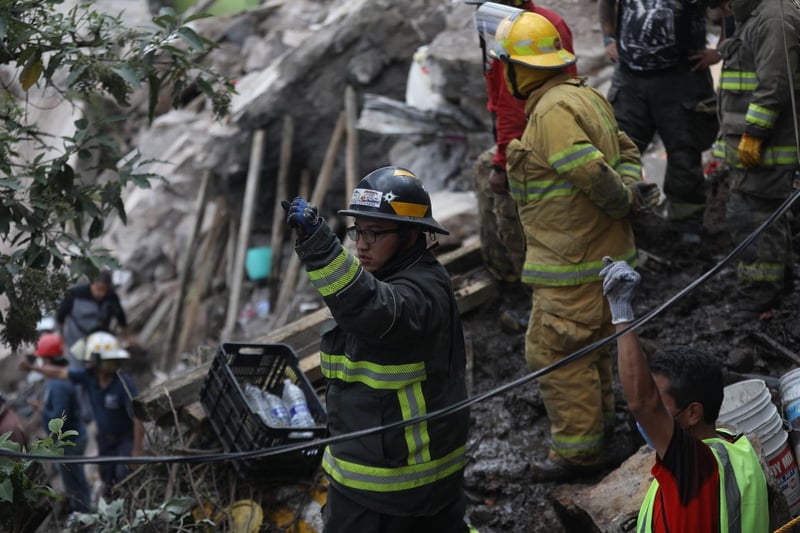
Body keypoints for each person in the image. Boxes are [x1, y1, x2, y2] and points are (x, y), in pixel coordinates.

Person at [491, 11, 660, 481]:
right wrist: (629, 194)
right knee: (590, 354)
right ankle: (601, 431)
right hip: (600, 259)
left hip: (573, 266)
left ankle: (581, 455)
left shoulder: (549, 113)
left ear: (518, 68)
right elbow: (628, 151)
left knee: (555, 356)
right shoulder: (584, 97)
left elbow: (588, 170)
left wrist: (622, 201)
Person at [283, 166, 471, 532]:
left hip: (396, 488)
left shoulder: (424, 289)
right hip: (379, 474)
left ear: (412, 234)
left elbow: (375, 311)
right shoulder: (383, 276)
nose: (361, 243)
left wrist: (323, 248)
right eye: (357, 230)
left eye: (375, 232)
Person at [600, 257, 769, 532]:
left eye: (661, 407)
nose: (649, 421)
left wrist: (621, 316)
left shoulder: (694, 468)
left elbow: (643, 403)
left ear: (693, 413)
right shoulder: (736, 451)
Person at [470, 0, 577, 333]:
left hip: (532, 137)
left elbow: (512, 107)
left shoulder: (524, 32)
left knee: (508, 210)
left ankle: (534, 297)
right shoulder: (518, 25)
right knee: (480, 167)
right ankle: (504, 276)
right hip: (528, 130)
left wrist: (502, 165)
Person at [598, 0, 720, 242]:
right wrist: (608, 40)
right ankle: (621, 218)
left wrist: (722, 49)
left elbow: (730, 7)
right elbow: (606, 3)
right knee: (618, 149)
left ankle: (687, 227)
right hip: (631, 80)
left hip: (682, 79)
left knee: (684, 154)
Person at [712, 0, 800, 320]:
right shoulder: (757, 16)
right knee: (765, 218)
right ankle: (777, 285)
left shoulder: (774, 18)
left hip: (766, 149)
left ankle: (758, 295)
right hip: (755, 149)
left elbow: (774, 82)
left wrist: (754, 134)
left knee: (752, 219)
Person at [19, 331, 144, 498]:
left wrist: (137, 450)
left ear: (103, 361)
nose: (87, 364)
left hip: (124, 440)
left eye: (92, 360)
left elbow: (138, 414)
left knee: (125, 476)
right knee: (108, 482)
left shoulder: (123, 382)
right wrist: (32, 367)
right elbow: (59, 373)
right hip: (104, 441)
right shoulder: (90, 377)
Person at [27, 332, 91, 512]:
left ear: (47, 359)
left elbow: (58, 419)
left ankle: (84, 514)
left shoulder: (57, 384)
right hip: (74, 437)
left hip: (69, 443)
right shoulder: (58, 379)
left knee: (75, 484)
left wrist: (41, 410)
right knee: (76, 479)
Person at [56, 270, 135, 369]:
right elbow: (60, 318)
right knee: (79, 371)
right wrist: (62, 342)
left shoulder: (111, 297)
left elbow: (120, 317)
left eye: (104, 290)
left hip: (100, 342)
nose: (101, 294)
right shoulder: (76, 294)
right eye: (98, 289)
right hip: (77, 340)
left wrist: (128, 336)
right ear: (92, 283)